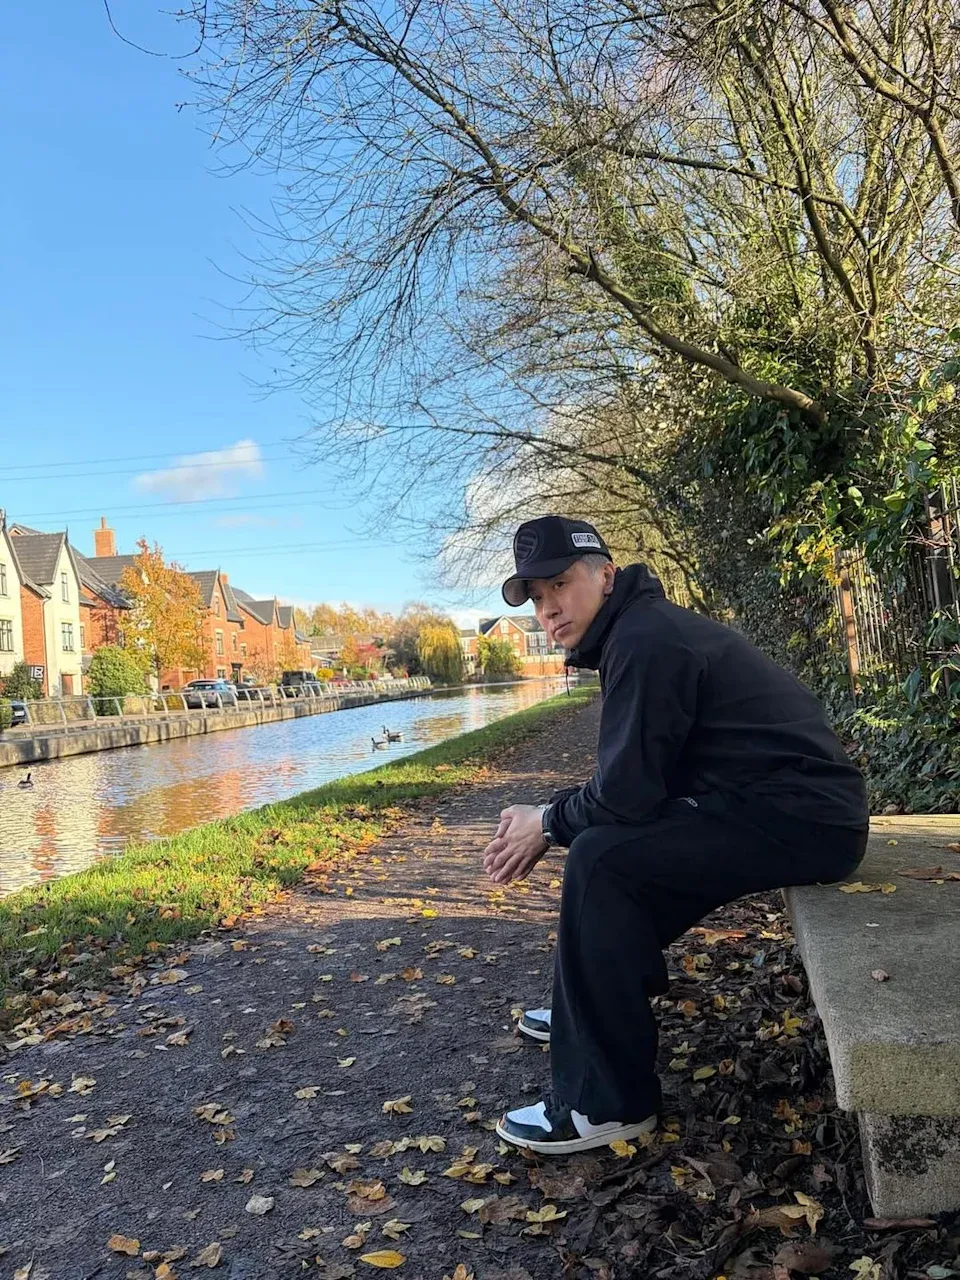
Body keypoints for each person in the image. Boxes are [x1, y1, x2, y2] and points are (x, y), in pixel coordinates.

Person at [484, 515, 869, 1155]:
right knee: (614, 852)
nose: (548, 609)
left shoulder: (644, 642)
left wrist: (548, 822)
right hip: (788, 808)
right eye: (537, 596)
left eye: (561, 585)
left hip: (806, 818)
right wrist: (556, 815)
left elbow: (625, 795)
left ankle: (605, 1105)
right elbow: (635, 782)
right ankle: (591, 1011)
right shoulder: (639, 631)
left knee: (602, 861)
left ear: (606, 576)